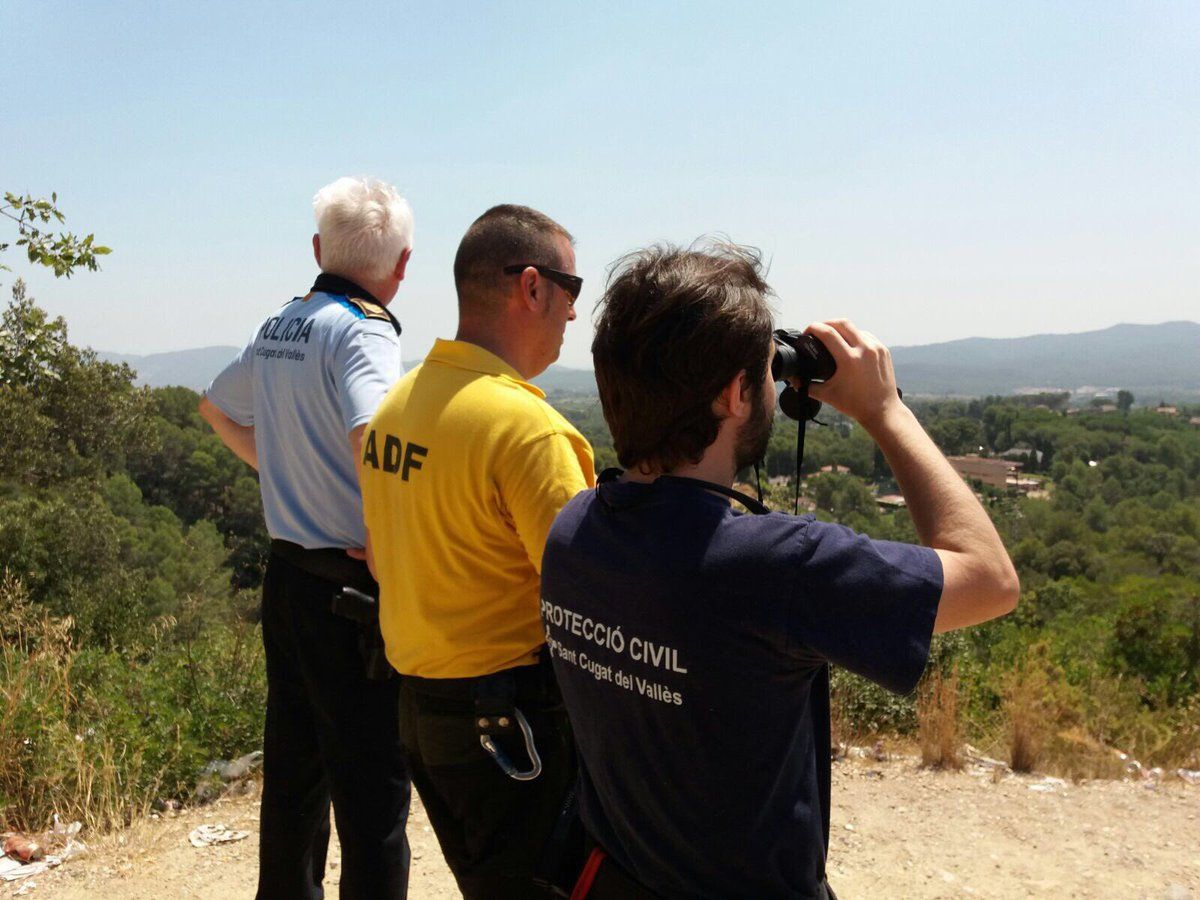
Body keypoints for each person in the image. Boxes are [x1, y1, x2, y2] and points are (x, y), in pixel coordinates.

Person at [541, 242, 1020, 899]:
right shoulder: (772, 567)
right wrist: (884, 411)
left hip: (616, 879)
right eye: (767, 371)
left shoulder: (574, 529)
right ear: (737, 393)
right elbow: (991, 578)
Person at [359, 204, 596, 899]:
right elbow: (586, 605)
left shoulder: (398, 406)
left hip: (425, 721)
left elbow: (380, 556)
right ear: (532, 287)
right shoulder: (528, 431)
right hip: (514, 730)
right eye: (571, 292)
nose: (573, 315)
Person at [199, 176, 414, 900]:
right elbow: (371, 437)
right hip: (350, 593)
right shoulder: (364, 329)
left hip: (287, 578)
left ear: (319, 249)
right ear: (402, 266)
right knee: (374, 799)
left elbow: (215, 407)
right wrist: (389, 547)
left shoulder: (283, 323)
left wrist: (279, 467)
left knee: (294, 776)